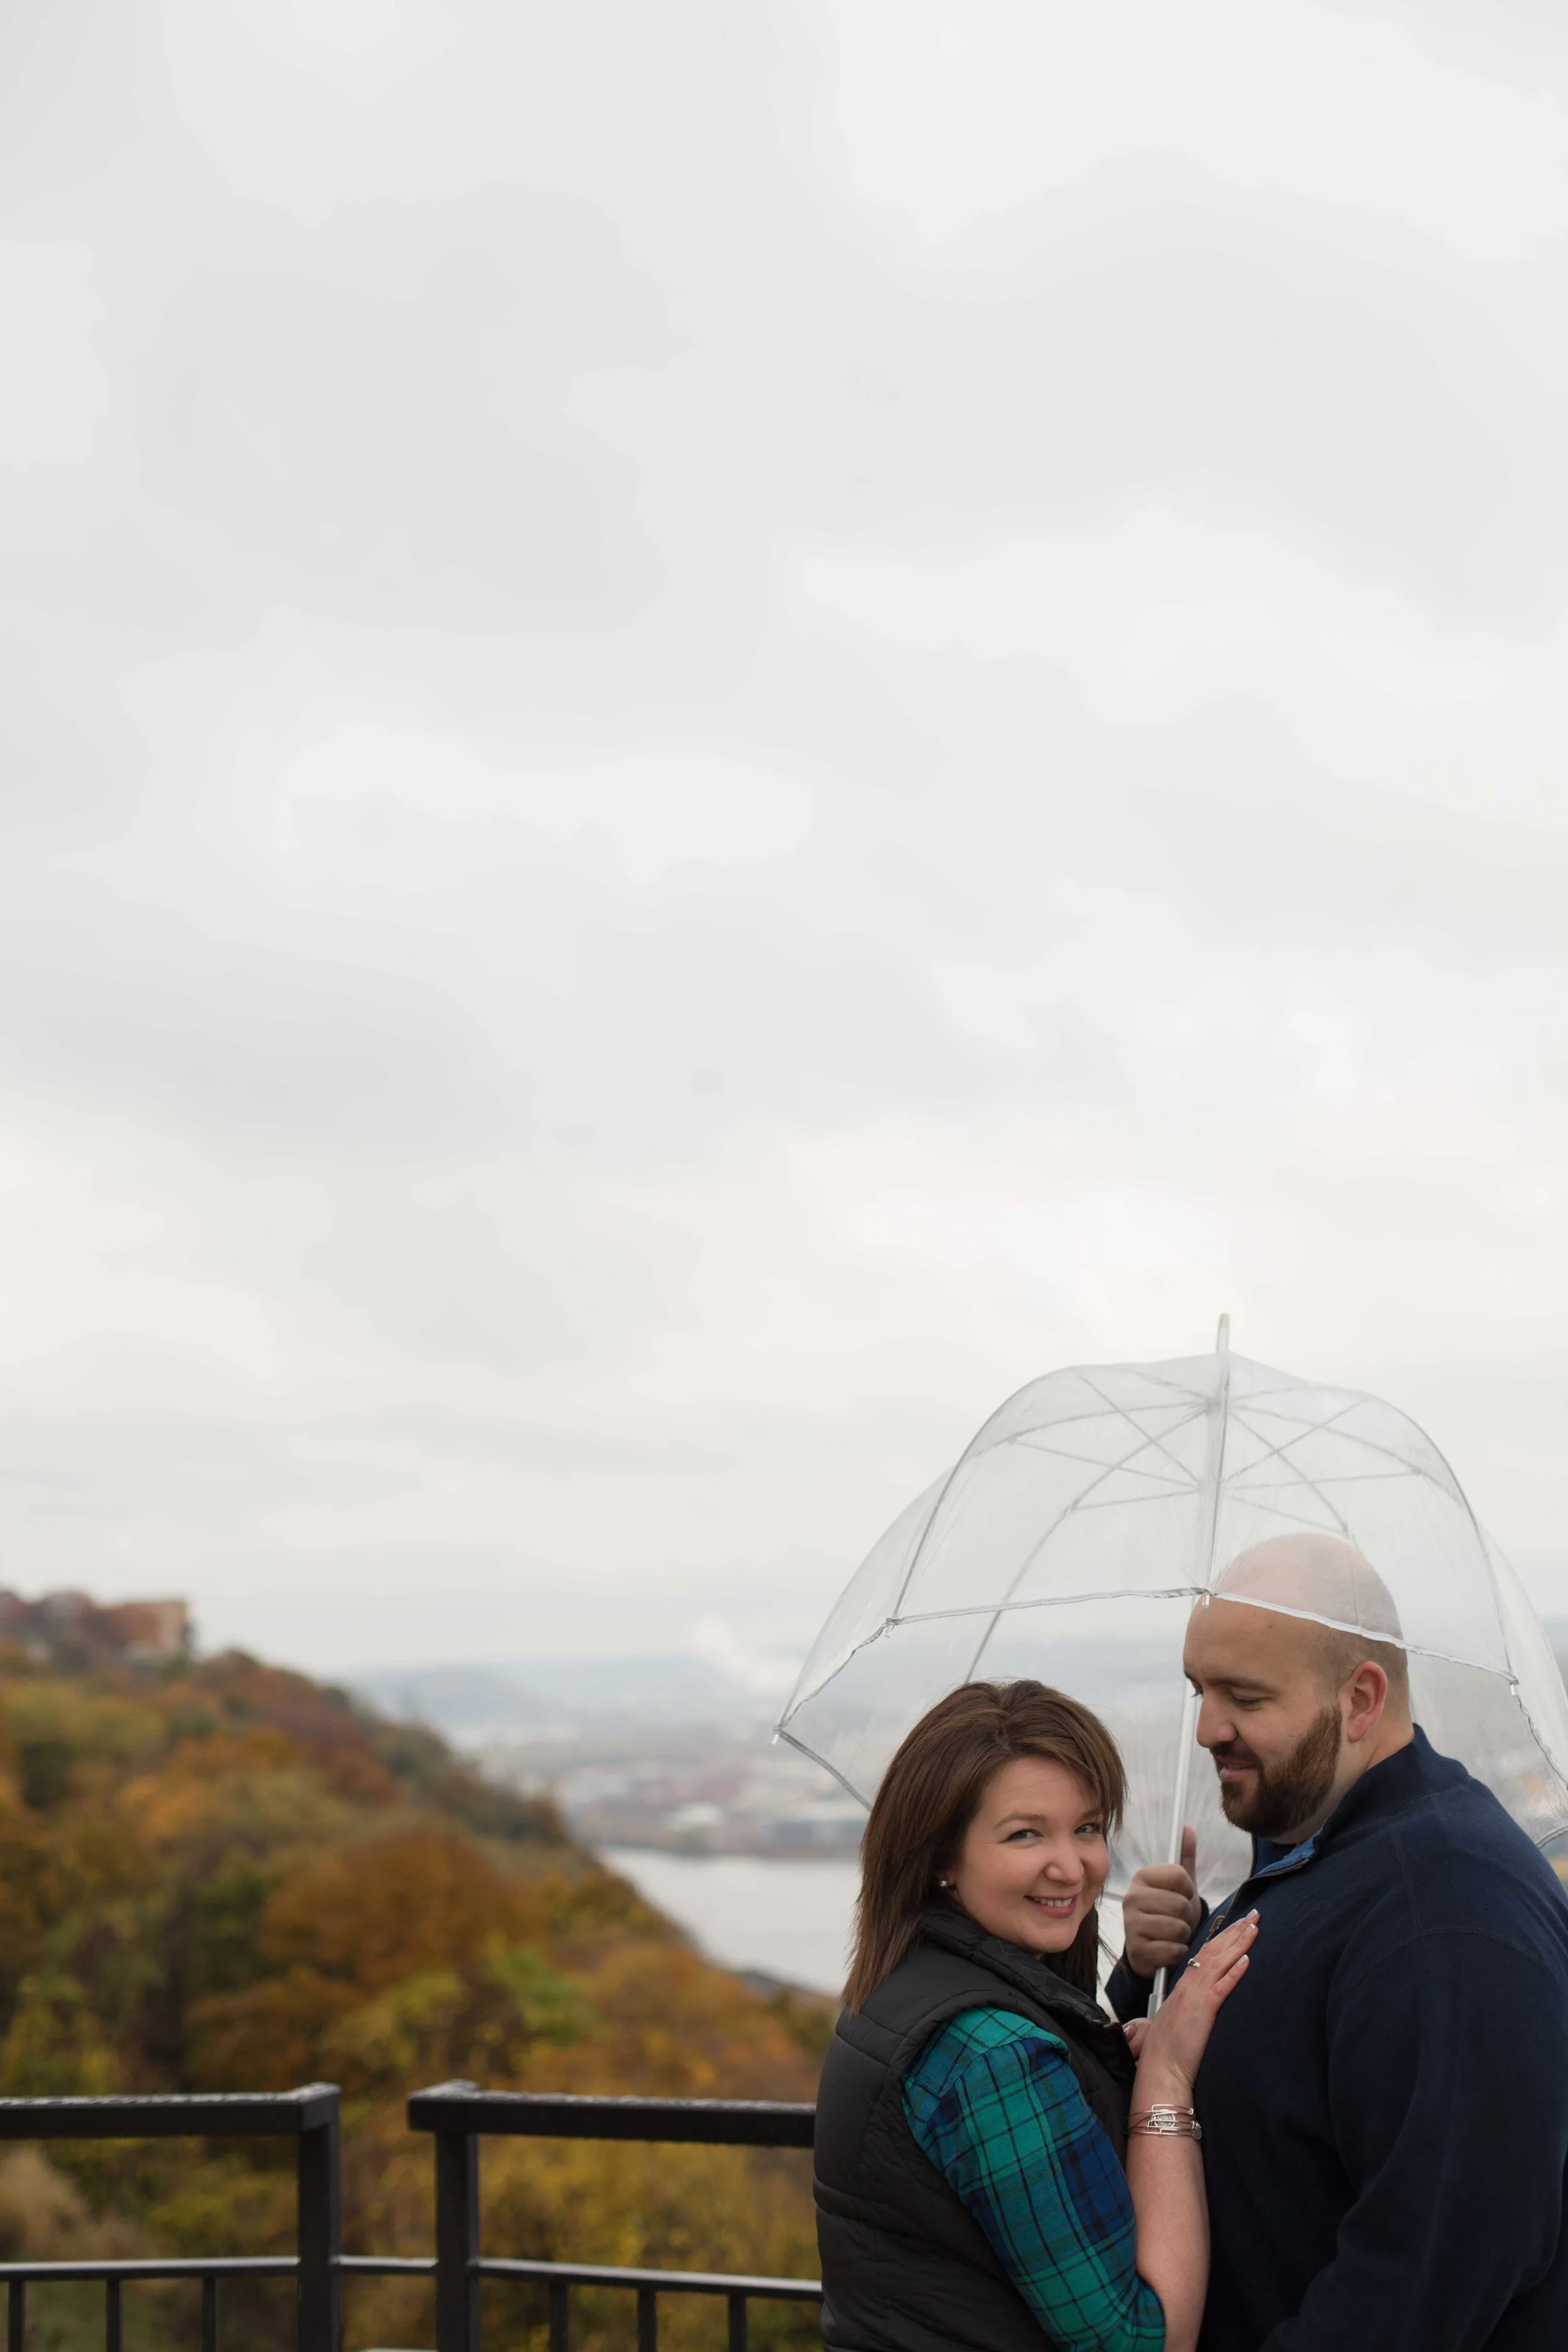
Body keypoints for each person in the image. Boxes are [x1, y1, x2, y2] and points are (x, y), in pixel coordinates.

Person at [1108, 1532, 1568, 2352]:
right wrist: (1156, 1968)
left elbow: (1425, 2274)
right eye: (1199, 1690)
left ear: (1360, 1699)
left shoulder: (1446, 1909)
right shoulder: (1321, 1859)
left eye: (1245, 1697)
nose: (1207, 1728)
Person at [814, 1679, 1259, 2352]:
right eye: (1025, 1834)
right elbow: (1142, 2341)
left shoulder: (908, 1982)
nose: (1072, 1868)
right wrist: (1165, 2078)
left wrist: (1132, 1991)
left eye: (1087, 1828)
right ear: (941, 1856)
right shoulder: (994, 2055)